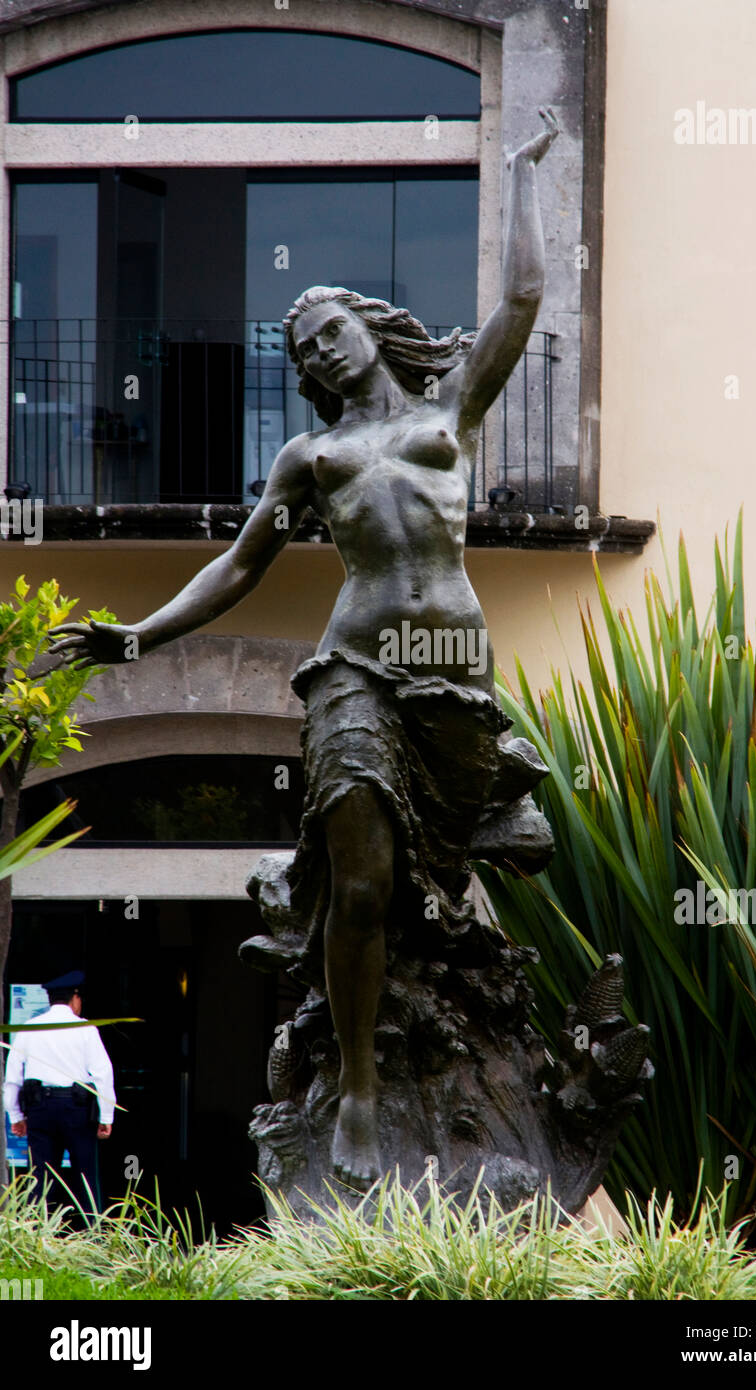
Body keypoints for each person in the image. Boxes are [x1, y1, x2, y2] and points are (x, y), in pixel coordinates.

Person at [46, 109, 560, 1190]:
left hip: (452, 675)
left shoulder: (447, 414)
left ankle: (462, 1073)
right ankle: (362, 1084)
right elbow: (239, 567)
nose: (322, 347)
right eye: (303, 346)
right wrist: (135, 635)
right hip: (355, 667)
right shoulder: (309, 457)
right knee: (363, 883)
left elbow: (518, 301)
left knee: (459, 881)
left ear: (369, 329)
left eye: (332, 327)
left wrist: (517, 173)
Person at [4, 970, 115, 1214]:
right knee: (85, 1176)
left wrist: (15, 1116)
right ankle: (92, 1236)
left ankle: (34, 1238)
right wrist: (106, 1118)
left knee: (40, 1179)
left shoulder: (29, 1028)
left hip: (40, 1109)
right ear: (75, 998)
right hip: (76, 1109)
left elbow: (12, 1077)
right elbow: (103, 1075)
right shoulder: (86, 1029)